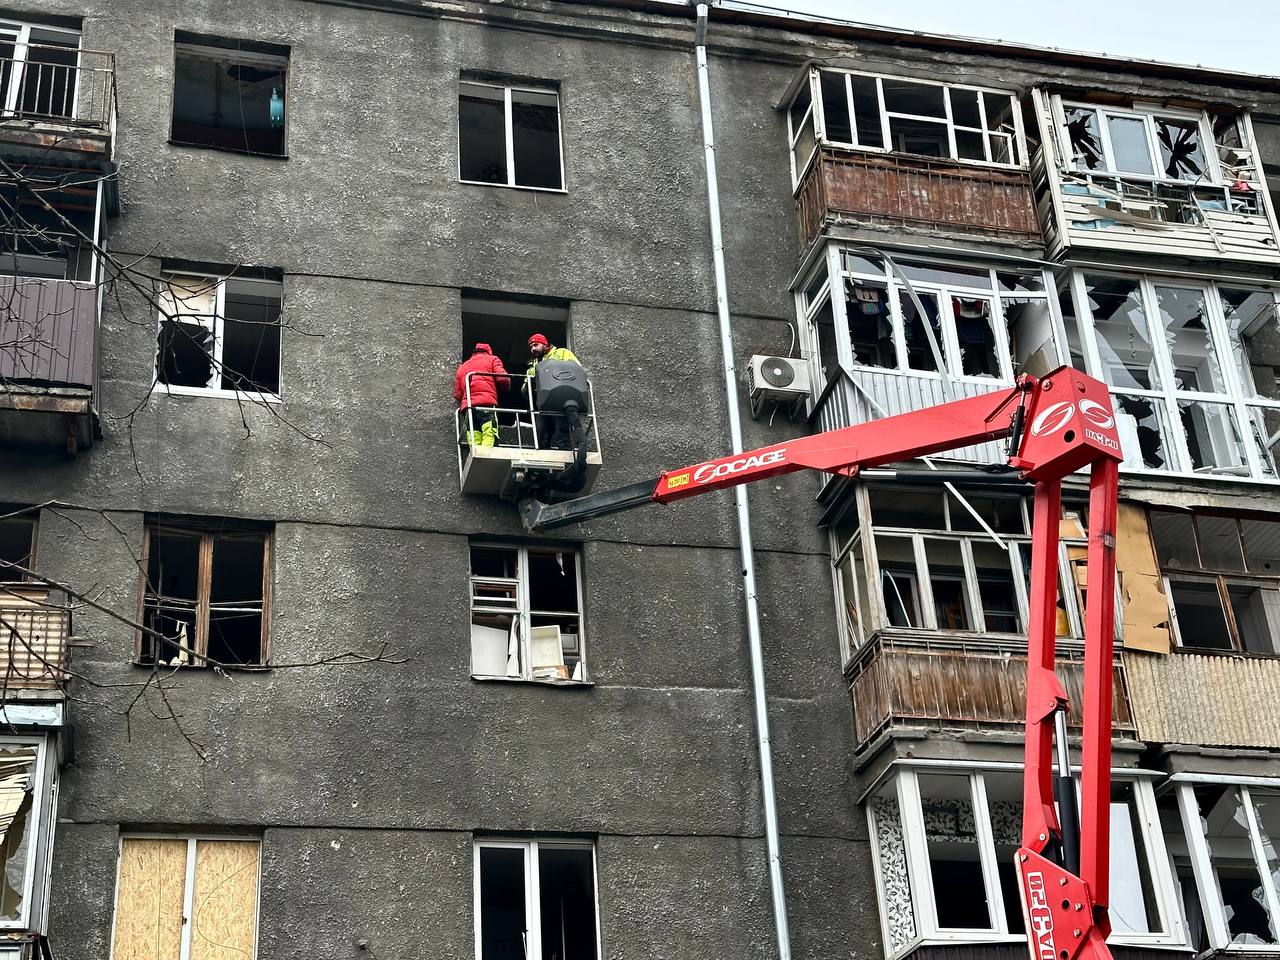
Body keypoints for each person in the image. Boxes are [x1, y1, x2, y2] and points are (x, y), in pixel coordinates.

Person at [524, 333, 582, 450]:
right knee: (541, 434)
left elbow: (576, 368)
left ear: (545, 344)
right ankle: (543, 461)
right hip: (543, 403)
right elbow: (526, 385)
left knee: (562, 433)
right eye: (531, 347)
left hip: (560, 400)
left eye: (536, 345)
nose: (533, 348)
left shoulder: (562, 353)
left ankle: (567, 460)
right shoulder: (533, 364)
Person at [453, 343, 510, 447]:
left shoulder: (462, 367)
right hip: (486, 403)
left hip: (468, 407)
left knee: (474, 433)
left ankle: (477, 456)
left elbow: (457, 394)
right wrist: (506, 388)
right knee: (489, 430)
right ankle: (487, 456)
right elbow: (503, 378)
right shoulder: (492, 359)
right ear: (488, 352)